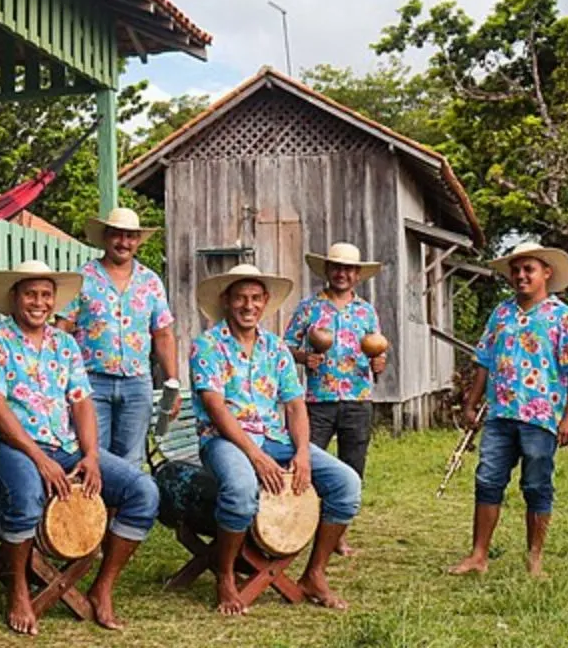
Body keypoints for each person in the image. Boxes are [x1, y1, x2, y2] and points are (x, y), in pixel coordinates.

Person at [0, 260, 159, 635]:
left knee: (143, 491)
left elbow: (81, 402)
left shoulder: (65, 343)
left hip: (67, 445)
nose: (38, 302)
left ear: (54, 301)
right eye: (30, 294)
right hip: (10, 446)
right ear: (14, 298)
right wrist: (39, 458)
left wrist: (90, 454)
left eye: (45, 295)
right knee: (24, 496)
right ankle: (20, 590)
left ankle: (103, 586)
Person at [191, 264, 361, 614]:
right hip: (225, 439)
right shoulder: (207, 345)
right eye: (240, 298)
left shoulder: (275, 348)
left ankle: (314, 574)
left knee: (346, 484)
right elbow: (216, 408)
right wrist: (254, 455)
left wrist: (301, 453)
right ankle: (224, 575)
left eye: (255, 298)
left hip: (275, 437)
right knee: (240, 489)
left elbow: (296, 405)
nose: (248, 306)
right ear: (226, 301)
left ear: (266, 302)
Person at [449, 243, 568, 578]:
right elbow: (483, 361)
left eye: (529, 269)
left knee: (537, 485)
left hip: (540, 418)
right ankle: (478, 555)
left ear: (546, 273)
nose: (521, 276)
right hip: (500, 415)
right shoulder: (501, 313)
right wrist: (471, 403)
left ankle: (535, 559)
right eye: (516, 270)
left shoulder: (563, 317)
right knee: (487, 480)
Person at [284, 242, 385, 555]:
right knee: (306, 466)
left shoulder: (366, 311)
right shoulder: (309, 307)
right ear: (327, 270)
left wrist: (378, 363)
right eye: (337, 268)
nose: (343, 274)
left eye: (349, 269)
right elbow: (283, 348)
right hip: (318, 401)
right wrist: (303, 357)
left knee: (353, 468)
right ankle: (293, 528)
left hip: (358, 399)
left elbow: (376, 348)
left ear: (357, 275)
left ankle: (338, 535)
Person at [58, 207, 180, 466]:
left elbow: (163, 334)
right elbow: (62, 329)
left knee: (132, 459)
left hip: (136, 382)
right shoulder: (83, 277)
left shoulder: (150, 281)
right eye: (117, 235)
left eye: (130, 237)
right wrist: (59, 379)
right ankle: (95, 508)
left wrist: (173, 382)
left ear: (137, 241)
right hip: (91, 382)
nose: (124, 243)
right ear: (105, 237)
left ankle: (126, 508)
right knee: (93, 455)